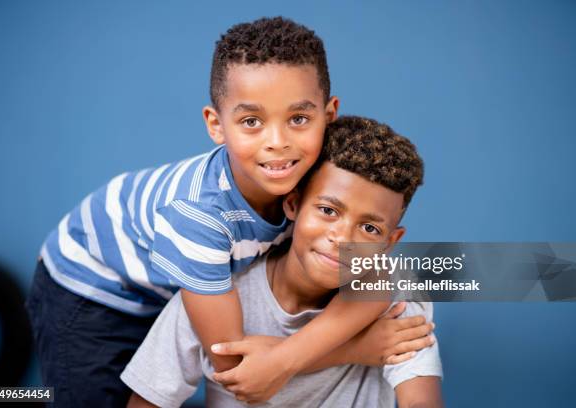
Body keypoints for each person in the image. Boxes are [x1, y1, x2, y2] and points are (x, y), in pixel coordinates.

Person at [122, 116, 443, 408]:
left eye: (369, 228)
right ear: (293, 204)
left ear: (391, 243)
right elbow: (148, 400)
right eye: (328, 211)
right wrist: (355, 349)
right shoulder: (213, 296)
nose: (344, 239)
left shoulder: (400, 300)